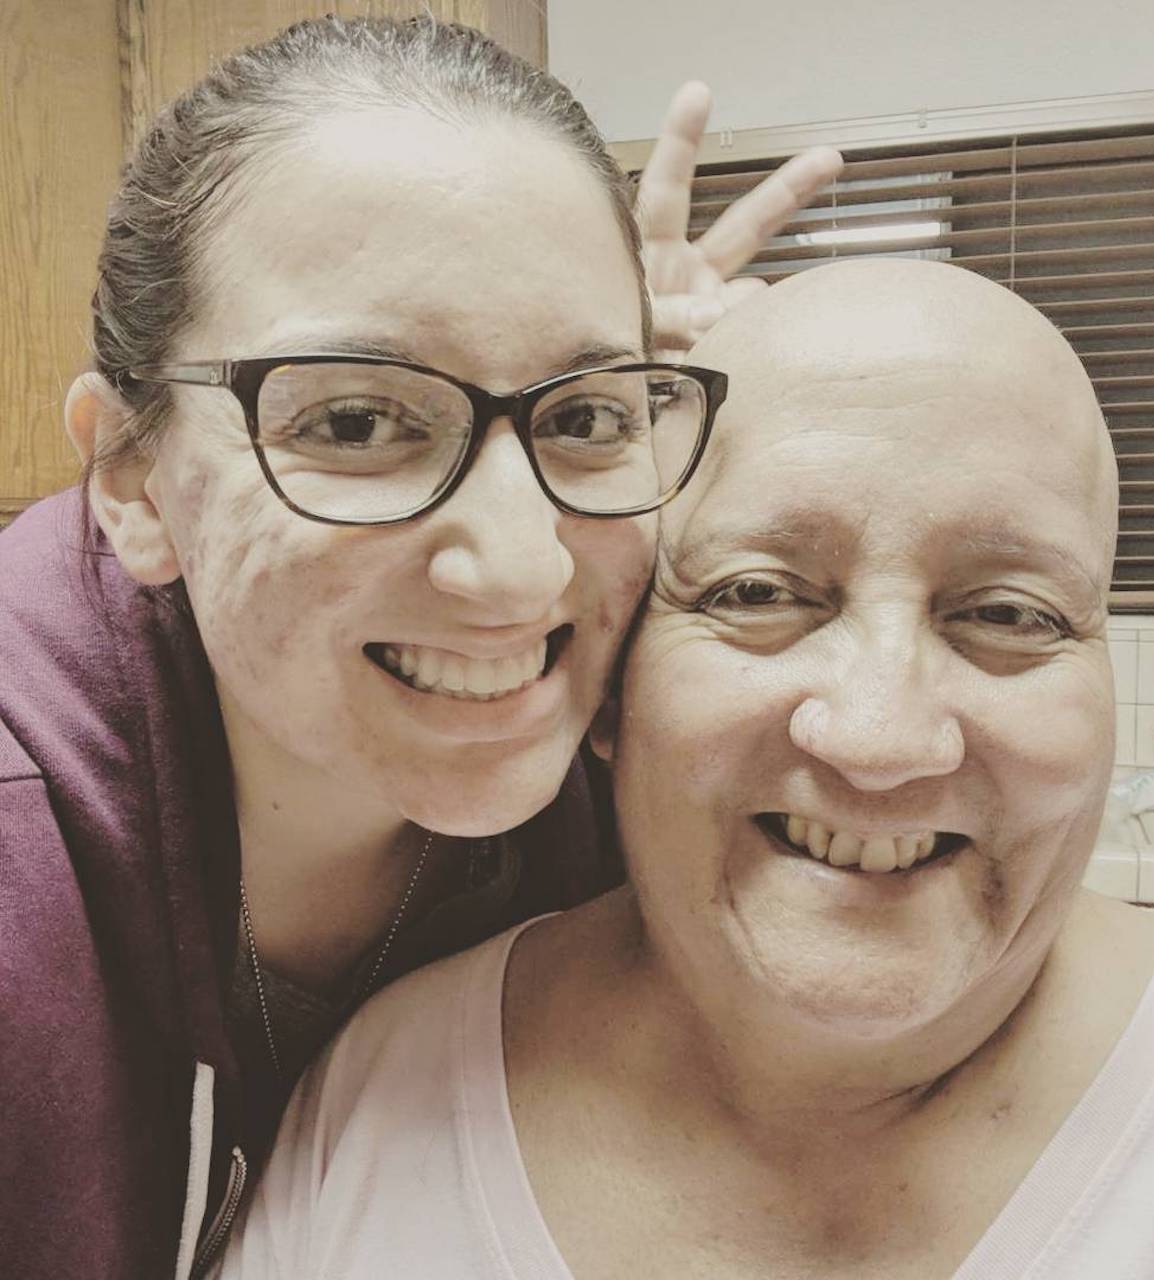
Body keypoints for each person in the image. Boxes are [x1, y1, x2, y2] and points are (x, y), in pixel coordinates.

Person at [222, 259, 1154, 1279]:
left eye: (1008, 613)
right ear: (608, 680)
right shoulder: (386, 1095)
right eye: (756, 593)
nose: (878, 735)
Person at [0, 15, 842, 1279]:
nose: (519, 568)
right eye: (357, 419)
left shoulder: (638, 778)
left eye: (586, 413)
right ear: (131, 473)